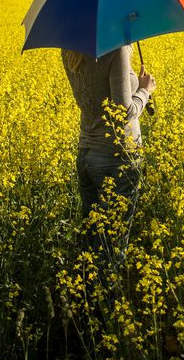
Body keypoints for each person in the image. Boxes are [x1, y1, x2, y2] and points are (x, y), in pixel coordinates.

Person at [62, 44, 156, 274]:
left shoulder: (69, 49)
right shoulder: (116, 50)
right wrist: (144, 91)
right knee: (112, 246)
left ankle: (89, 300)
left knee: (93, 241)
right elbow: (122, 112)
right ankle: (108, 304)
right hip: (116, 158)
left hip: (86, 152)